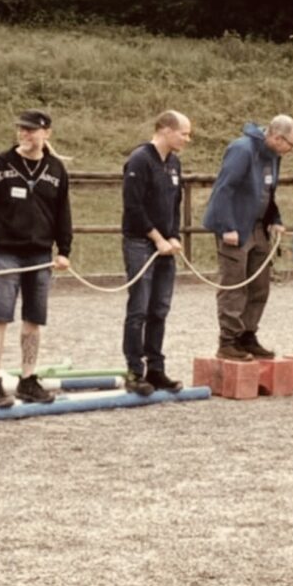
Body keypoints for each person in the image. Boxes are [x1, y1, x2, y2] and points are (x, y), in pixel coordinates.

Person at [0, 110, 72, 408]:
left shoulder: (55, 169)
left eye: (31, 130)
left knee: (34, 317)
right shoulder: (0, 165)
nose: (25, 135)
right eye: (21, 130)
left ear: (46, 133)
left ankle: (27, 379)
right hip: (5, 250)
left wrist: (64, 250)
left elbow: (62, 213)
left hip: (40, 253)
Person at [202, 114, 293, 361]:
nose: (292, 150)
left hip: (259, 227)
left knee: (260, 285)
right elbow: (224, 188)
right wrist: (227, 226)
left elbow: (268, 192)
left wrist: (275, 219)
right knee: (234, 284)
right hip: (235, 226)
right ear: (277, 137)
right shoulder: (242, 150)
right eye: (291, 144)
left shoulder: (273, 157)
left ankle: (248, 334)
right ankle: (228, 341)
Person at [120, 110, 191, 395]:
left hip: (164, 244)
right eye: (183, 133)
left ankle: (156, 368)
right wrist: (157, 237)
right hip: (140, 242)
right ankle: (134, 371)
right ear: (165, 130)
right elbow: (133, 206)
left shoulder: (174, 163)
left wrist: (172, 236)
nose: (187, 139)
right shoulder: (140, 160)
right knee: (139, 307)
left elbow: (175, 204)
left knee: (160, 308)